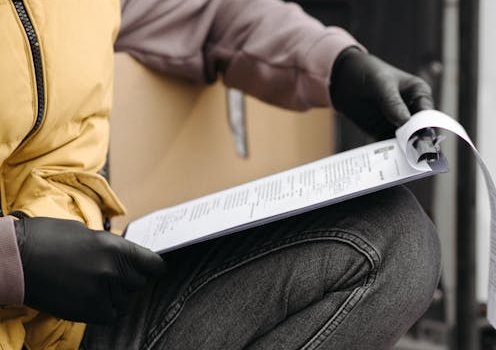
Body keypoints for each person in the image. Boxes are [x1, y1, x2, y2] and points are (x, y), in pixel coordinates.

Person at [0, 0, 441, 349]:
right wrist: (17, 261)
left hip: (80, 324)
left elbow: (205, 13)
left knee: (392, 241)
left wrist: (339, 67)